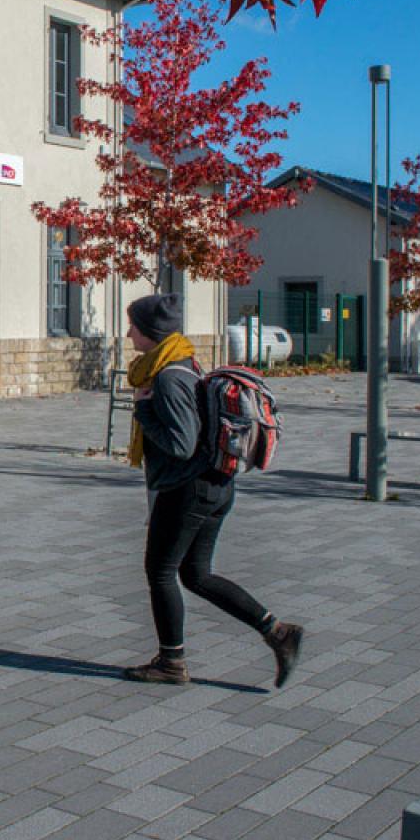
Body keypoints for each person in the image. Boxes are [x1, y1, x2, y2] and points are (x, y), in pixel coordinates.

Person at [120, 293, 303, 688]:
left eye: (133, 325)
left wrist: (143, 409)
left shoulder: (167, 377)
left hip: (188, 490)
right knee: (197, 574)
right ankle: (278, 633)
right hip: (215, 486)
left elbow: (181, 443)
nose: (128, 331)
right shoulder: (184, 363)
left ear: (151, 332)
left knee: (162, 571)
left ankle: (172, 663)